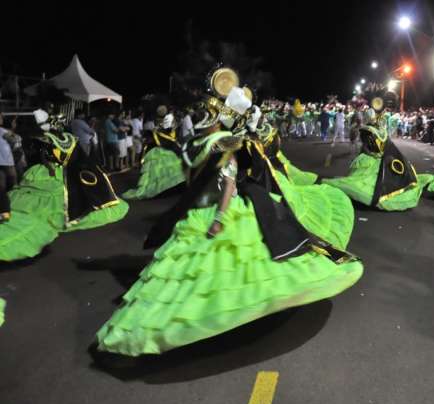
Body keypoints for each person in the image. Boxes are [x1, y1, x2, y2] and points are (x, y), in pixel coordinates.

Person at [96, 78, 363, 357]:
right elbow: (225, 181)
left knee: (204, 272)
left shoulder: (203, 144)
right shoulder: (220, 143)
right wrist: (219, 216)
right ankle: (182, 320)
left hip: (206, 214)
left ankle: (180, 321)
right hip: (208, 214)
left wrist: (219, 216)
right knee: (210, 271)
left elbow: (220, 181)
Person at [0, 109, 129, 262]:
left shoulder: (41, 139)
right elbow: (79, 157)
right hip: (68, 174)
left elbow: (40, 159)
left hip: (48, 174)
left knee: (33, 204)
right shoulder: (68, 137)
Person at [0, 114, 17, 223]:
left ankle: (4, 212)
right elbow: (13, 142)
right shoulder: (3, 131)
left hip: (5, 160)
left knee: (2, 186)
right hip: (5, 160)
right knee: (10, 181)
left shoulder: (3, 130)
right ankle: (5, 212)